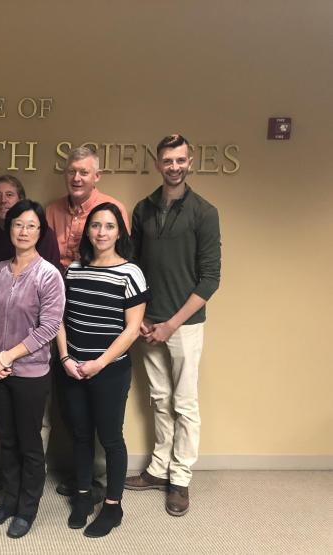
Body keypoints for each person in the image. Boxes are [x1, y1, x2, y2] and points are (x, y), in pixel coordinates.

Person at [125, 134, 221, 517]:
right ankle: (159, 469)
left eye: (180, 160)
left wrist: (171, 324)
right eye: (168, 160)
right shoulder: (143, 209)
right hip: (148, 323)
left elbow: (210, 279)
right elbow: (134, 266)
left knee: (184, 403)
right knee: (159, 401)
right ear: (158, 163)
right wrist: (145, 318)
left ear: (190, 161)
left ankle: (180, 478)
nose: (174, 166)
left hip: (185, 325)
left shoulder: (204, 212)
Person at [56, 202, 149, 537]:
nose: (101, 232)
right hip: (73, 370)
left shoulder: (130, 272)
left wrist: (99, 363)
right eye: (96, 225)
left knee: (110, 439)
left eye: (109, 226)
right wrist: (66, 358)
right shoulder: (74, 270)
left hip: (109, 370)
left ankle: (112, 506)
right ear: (88, 230)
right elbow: (60, 319)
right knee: (80, 436)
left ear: (119, 232)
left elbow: (131, 329)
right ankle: (83, 497)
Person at [46, 146, 131, 499]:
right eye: (72, 171)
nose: (77, 177)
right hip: (61, 313)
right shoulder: (51, 210)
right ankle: (80, 482)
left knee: (107, 424)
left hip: (103, 322)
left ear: (97, 176)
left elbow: (123, 262)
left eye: (84, 172)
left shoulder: (112, 209)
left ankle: (105, 493)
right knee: (69, 407)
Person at [0, 199, 65, 539]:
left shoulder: (49, 275)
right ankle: (9, 501)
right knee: (7, 439)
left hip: (29, 373)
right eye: (18, 224)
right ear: (9, 229)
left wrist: (7, 356)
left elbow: (48, 327)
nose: (24, 231)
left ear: (39, 231)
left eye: (31, 225)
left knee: (29, 443)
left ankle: (26, 510)